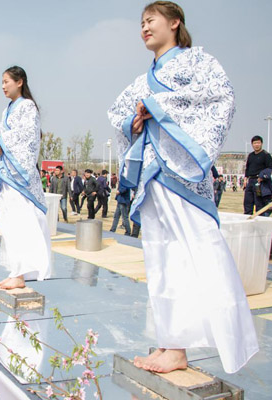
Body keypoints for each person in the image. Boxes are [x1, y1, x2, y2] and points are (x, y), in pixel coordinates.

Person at [107, 1, 257, 374]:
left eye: (151, 20)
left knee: (199, 249)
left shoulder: (197, 62)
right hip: (154, 177)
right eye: (141, 22)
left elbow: (221, 98)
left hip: (183, 173)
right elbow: (118, 113)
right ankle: (172, 343)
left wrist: (157, 106)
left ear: (175, 23)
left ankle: (231, 337)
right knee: (162, 257)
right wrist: (134, 120)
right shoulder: (144, 78)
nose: (144, 27)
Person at [0, 66, 51, 290]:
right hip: (8, 173)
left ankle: (21, 273)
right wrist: (0, 147)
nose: (3, 86)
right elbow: (3, 134)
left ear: (20, 82)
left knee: (21, 221)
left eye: (6, 81)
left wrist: (3, 140)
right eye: (2, 82)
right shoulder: (7, 109)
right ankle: (14, 271)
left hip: (20, 175)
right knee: (9, 223)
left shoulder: (28, 106)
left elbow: (27, 136)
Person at [244, 135, 272, 215]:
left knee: (259, 204)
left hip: (260, 182)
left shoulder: (266, 155)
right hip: (250, 181)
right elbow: (247, 168)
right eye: (255, 143)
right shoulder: (250, 155)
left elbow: (270, 167)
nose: (256, 145)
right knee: (247, 202)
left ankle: (259, 221)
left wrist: (263, 177)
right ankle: (247, 219)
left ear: (261, 144)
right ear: (252, 144)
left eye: (258, 143)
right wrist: (245, 178)